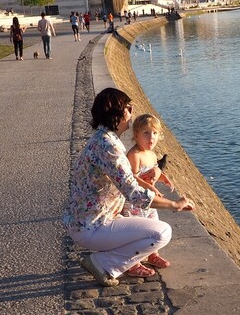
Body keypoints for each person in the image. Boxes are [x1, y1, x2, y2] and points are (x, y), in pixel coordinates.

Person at [63, 88, 195, 285]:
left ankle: (113, 260)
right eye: (129, 108)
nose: (132, 112)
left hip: (86, 221)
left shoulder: (102, 139)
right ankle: (103, 263)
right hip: (93, 227)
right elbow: (134, 193)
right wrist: (174, 205)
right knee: (162, 232)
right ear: (117, 113)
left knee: (145, 227)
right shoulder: (109, 147)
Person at [123, 114, 176, 270]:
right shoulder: (135, 154)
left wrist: (163, 178)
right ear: (136, 135)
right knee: (137, 232)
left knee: (154, 226)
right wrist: (150, 187)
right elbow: (131, 178)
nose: (151, 137)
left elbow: (153, 172)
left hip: (149, 202)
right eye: (146, 133)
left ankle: (153, 253)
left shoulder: (152, 154)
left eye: (154, 133)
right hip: (135, 202)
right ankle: (133, 262)